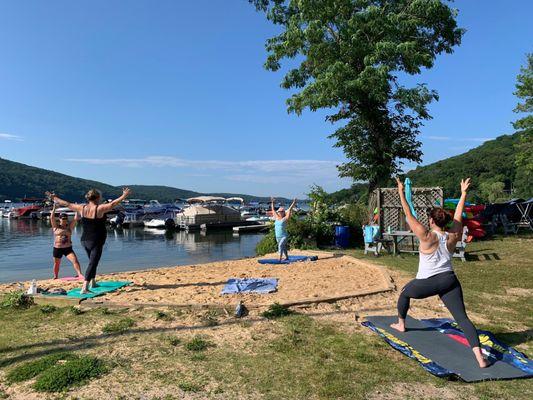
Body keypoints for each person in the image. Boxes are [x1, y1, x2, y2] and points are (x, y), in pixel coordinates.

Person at [390, 177, 488, 368]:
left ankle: (401, 324)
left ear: (431, 220)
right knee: (462, 319)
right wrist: (463, 194)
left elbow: (408, 214)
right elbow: (458, 217)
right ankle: (480, 358)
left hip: (426, 283)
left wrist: (401, 192)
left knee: (404, 293)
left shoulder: (426, 236)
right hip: (449, 280)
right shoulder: (453, 236)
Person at [46, 187, 131, 294]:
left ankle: (93, 281)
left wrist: (54, 198)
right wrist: (124, 195)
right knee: (93, 263)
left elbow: (66, 203)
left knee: (92, 261)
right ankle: (85, 287)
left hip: (85, 240)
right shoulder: (99, 208)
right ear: (98, 198)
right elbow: (113, 204)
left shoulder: (82, 208)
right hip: (96, 240)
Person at [50, 203, 83, 280]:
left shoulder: (69, 227)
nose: (64, 220)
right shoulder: (56, 227)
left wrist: (76, 209)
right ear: (60, 219)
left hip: (68, 248)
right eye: (63, 218)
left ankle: (79, 274)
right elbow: (52, 217)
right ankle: (55, 276)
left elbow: (75, 218)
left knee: (75, 260)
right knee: (57, 263)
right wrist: (54, 207)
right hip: (57, 249)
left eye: (65, 218)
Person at [271, 197, 297, 261]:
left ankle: (279, 258)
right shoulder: (276, 218)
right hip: (278, 236)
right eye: (279, 211)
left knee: (280, 246)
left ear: (283, 212)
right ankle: (287, 257)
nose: (280, 212)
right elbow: (273, 209)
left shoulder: (285, 219)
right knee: (284, 247)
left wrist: (293, 202)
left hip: (284, 236)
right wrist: (272, 202)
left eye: (282, 211)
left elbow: (290, 209)